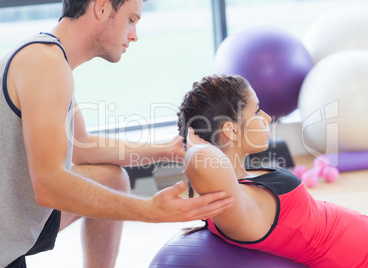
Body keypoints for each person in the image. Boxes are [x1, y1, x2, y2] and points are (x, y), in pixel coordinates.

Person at [0, 1, 234, 267]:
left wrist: (166, 149)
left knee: (111, 178)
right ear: (101, 8)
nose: (134, 34)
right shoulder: (44, 64)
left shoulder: (50, 58)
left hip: (12, 230)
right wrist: (150, 211)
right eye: (131, 20)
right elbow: (50, 186)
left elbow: (83, 147)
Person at [177, 74, 368, 268]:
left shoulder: (241, 180)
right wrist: (194, 145)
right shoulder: (235, 206)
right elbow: (201, 160)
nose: (266, 118)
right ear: (230, 130)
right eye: (256, 112)